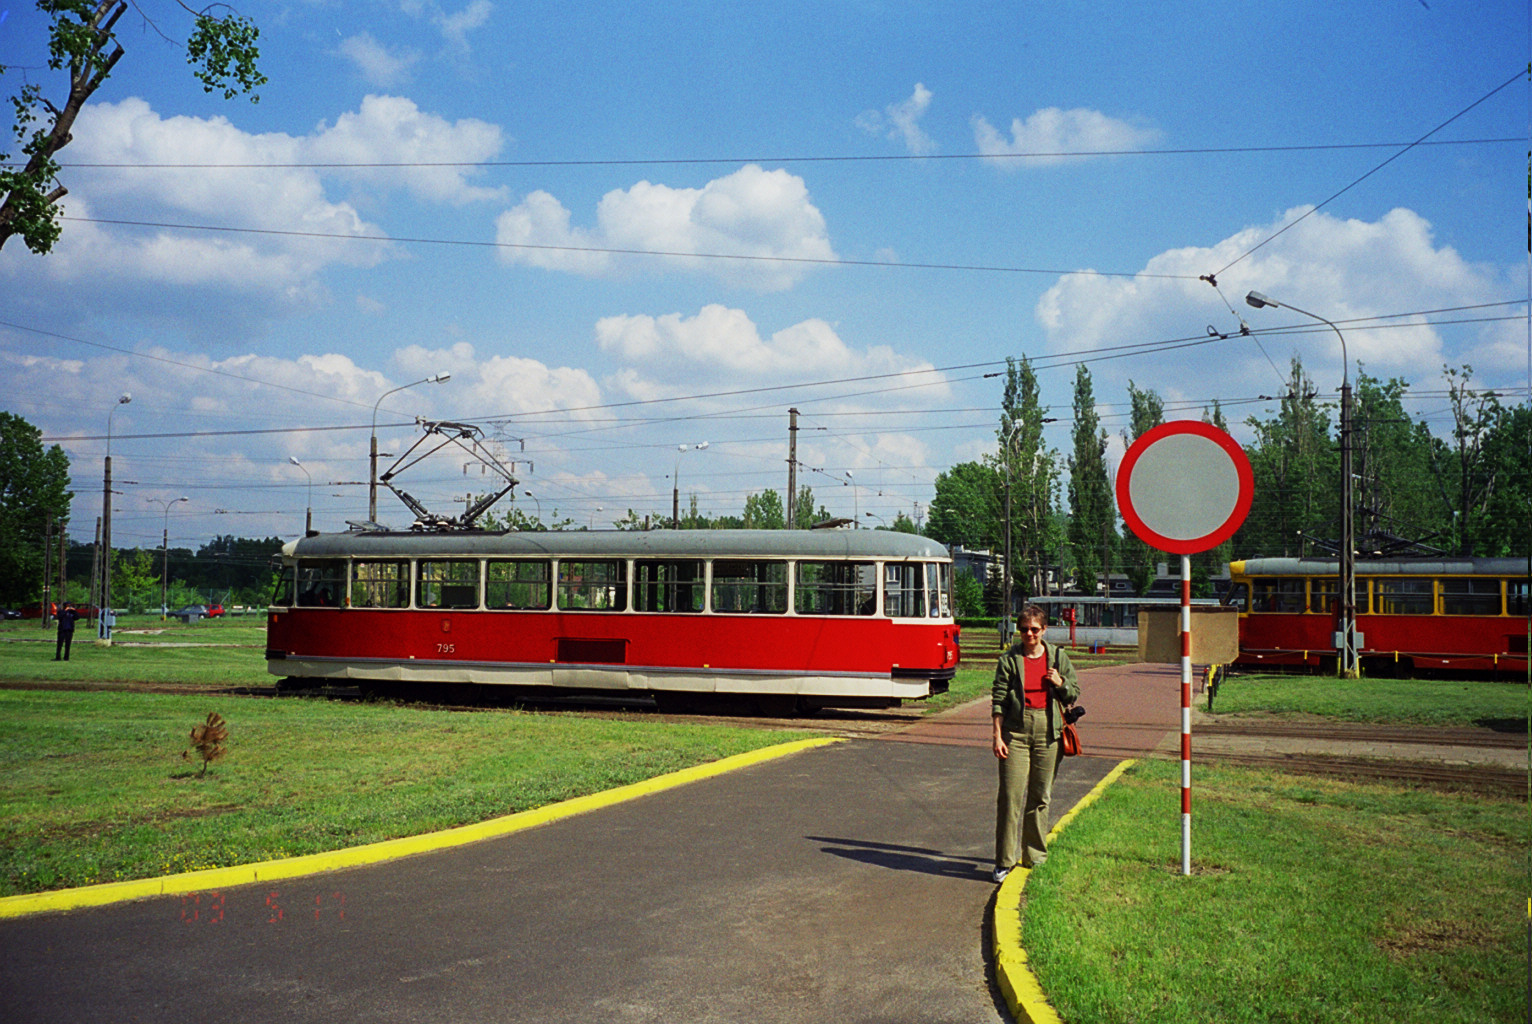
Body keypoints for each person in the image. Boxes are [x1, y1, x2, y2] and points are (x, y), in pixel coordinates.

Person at [991, 603, 1080, 883]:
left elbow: (1073, 693)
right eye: (1024, 629)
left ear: (1044, 630)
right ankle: (1004, 860)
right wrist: (997, 735)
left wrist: (1060, 682)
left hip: (1048, 731)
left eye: (1034, 629)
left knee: (1040, 796)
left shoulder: (1057, 657)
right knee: (1010, 797)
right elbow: (998, 700)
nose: (1029, 634)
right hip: (1015, 732)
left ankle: (1035, 855)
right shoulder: (1009, 659)